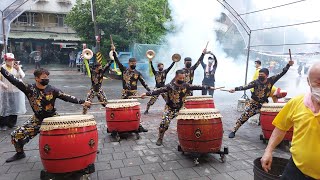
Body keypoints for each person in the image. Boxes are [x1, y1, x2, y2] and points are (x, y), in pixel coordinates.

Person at [0, 67, 91, 163]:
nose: (46, 79)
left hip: (53, 119)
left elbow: (67, 97)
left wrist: (83, 102)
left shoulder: (53, 90)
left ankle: (84, 150)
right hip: (37, 120)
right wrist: (1, 69)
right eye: (44, 77)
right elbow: (13, 80)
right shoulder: (29, 89)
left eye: (47, 77)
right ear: (37, 78)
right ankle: (20, 153)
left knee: (68, 135)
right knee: (16, 135)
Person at [260, 61, 320, 180]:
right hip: (295, 170)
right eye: (319, 83)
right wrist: (268, 151)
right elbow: (280, 128)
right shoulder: (296, 102)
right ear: (308, 82)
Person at [141, 70, 217, 146]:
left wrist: (209, 87)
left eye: (183, 78)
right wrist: (146, 93)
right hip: (170, 109)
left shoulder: (186, 85)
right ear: (176, 77)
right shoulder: (169, 86)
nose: (182, 80)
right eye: (180, 78)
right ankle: (160, 138)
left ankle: (189, 137)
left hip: (181, 109)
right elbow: (158, 91)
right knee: (164, 123)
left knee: (190, 122)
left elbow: (198, 87)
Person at [228, 59, 294, 138]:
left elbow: (282, 73)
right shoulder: (255, 82)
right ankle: (234, 130)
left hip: (263, 105)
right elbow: (245, 86)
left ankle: (269, 134)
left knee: (271, 118)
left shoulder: (271, 80)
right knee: (244, 117)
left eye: (262, 75)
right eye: (259, 75)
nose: (260, 76)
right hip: (253, 104)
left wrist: (288, 65)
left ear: (267, 75)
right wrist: (235, 89)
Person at [112, 49, 150, 132]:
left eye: (135, 63)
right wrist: (114, 52)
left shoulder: (137, 73)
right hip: (125, 93)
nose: (134, 64)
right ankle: (120, 125)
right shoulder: (124, 70)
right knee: (121, 109)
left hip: (133, 94)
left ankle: (138, 126)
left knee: (135, 110)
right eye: (132, 63)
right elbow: (117, 61)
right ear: (129, 63)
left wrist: (149, 91)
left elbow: (144, 83)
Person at [0, 53, 26, 130]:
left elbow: (22, 76)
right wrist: (2, 84)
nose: (11, 62)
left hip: (15, 91)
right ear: (5, 60)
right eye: (9, 60)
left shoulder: (16, 67)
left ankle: (12, 123)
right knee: (4, 108)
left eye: (12, 60)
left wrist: (18, 69)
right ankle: (3, 124)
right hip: (4, 92)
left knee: (14, 107)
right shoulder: (2, 68)